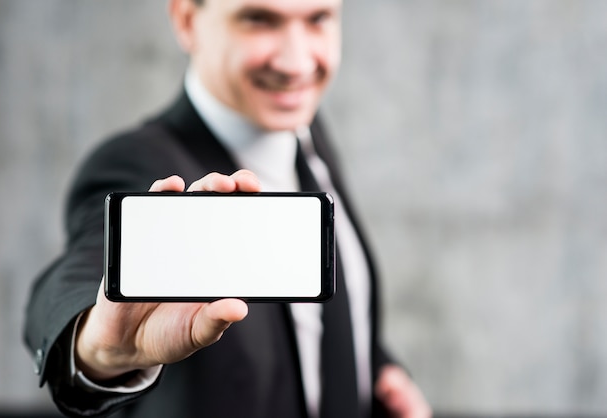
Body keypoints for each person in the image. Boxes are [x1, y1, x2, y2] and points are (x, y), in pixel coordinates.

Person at [24, 0, 432, 417]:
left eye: (318, 19)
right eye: (258, 19)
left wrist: (380, 374)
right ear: (186, 21)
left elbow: (324, 312)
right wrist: (98, 348)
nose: (296, 62)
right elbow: (76, 278)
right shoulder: (136, 165)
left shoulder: (305, 132)